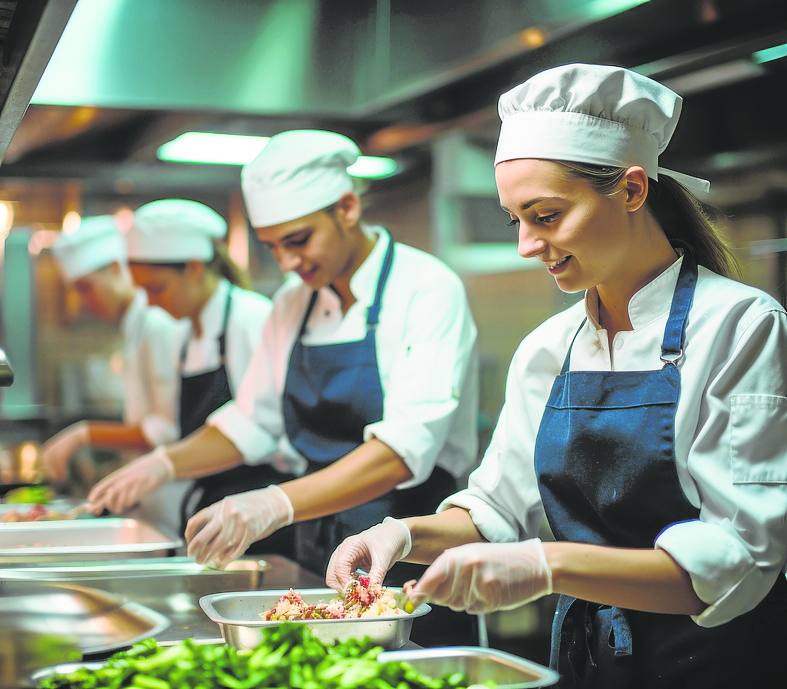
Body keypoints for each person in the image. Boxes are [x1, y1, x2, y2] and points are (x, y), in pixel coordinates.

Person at [326, 64, 787, 688]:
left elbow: (740, 558)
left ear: (630, 191)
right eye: (515, 218)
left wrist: (547, 565)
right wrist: (401, 534)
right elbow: (495, 508)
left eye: (545, 216)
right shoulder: (550, 347)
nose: (524, 244)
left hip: (712, 664)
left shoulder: (741, 325)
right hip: (583, 664)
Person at [87, 199, 299, 553]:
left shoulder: (252, 319)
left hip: (263, 514)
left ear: (196, 269)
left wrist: (164, 463)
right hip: (213, 509)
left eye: (157, 289)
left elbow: (263, 427)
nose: (151, 304)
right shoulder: (182, 337)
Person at [44, 215, 181, 483]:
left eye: (86, 288)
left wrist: (86, 434)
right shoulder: (134, 326)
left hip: (172, 488)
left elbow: (169, 428)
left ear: (117, 268)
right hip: (149, 488)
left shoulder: (157, 321)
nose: (84, 301)